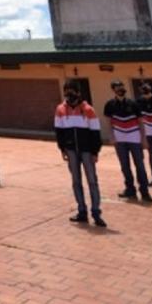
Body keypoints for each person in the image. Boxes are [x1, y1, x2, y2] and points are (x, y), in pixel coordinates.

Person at [56, 79, 105, 227]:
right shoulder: (60, 109)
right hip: (71, 150)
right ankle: (82, 211)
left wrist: (95, 151)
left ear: (78, 92)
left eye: (72, 89)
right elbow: (59, 132)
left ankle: (96, 212)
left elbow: (96, 132)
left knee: (92, 181)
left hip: (87, 150)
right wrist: (62, 149)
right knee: (76, 182)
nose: (69, 93)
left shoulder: (88, 109)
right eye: (67, 90)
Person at [104, 80, 152, 203]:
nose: (120, 89)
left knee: (140, 166)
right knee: (125, 166)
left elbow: (141, 122)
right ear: (113, 89)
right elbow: (108, 122)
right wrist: (111, 137)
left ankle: (145, 192)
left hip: (135, 139)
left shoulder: (134, 103)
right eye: (117, 87)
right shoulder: (109, 105)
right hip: (119, 140)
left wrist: (144, 139)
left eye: (122, 86)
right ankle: (130, 190)